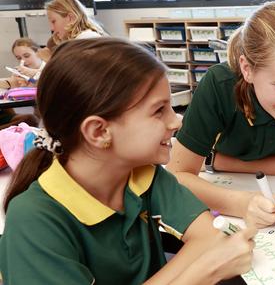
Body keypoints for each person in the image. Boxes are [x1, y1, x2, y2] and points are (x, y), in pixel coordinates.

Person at [0, 38, 257, 284]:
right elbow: (208, 254)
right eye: (159, 110)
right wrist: (204, 273)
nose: (176, 121)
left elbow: (211, 237)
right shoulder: (34, 221)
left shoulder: (142, 174)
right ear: (99, 132)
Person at [167, 0, 275, 228]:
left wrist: (212, 161)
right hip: (227, 188)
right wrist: (240, 203)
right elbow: (175, 177)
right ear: (247, 69)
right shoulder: (218, 85)